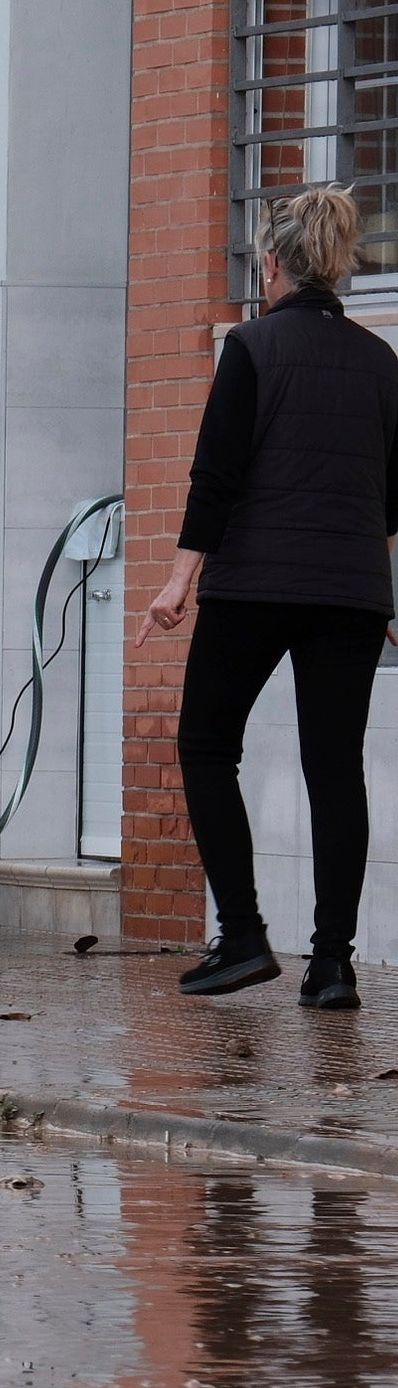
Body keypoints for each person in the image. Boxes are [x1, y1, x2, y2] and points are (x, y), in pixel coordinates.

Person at [150, 185, 398, 1008]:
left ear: (272, 265)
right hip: (351, 593)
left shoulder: (251, 346)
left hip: (255, 583)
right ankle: (333, 966)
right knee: (336, 771)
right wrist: (379, 588)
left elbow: (214, 476)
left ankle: (247, 936)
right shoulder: (381, 361)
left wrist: (179, 580)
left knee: (207, 745)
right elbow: (394, 497)